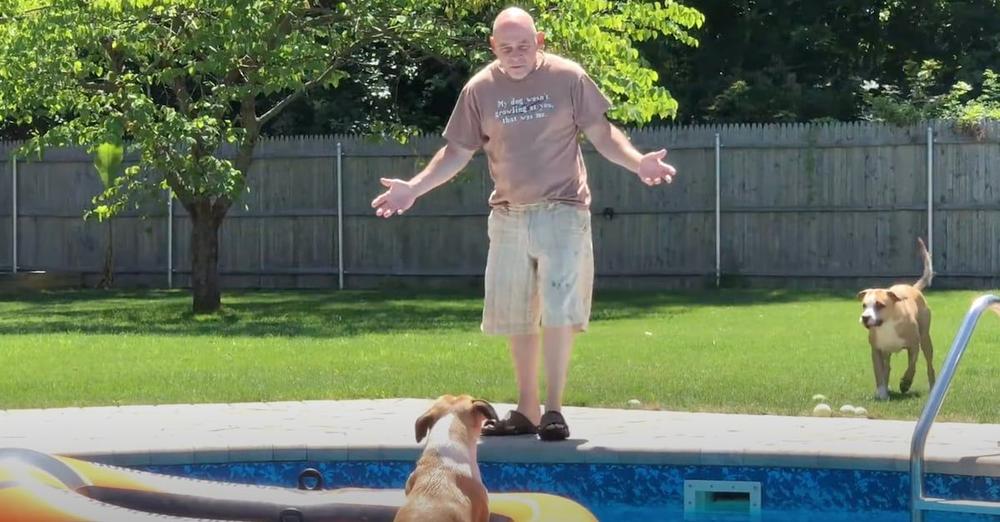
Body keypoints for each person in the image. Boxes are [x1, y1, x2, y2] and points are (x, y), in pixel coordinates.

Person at [371, 6, 677, 441]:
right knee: (515, 315)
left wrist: (638, 162)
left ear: (541, 42)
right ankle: (527, 410)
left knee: (558, 310)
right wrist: (414, 188)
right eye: (507, 47)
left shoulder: (568, 78)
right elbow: (457, 152)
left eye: (524, 46)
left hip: (562, 211)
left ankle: (554, 409)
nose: (516, 54)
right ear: (493, 46)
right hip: (508, 216)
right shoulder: (480, 89)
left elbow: (602, 134)